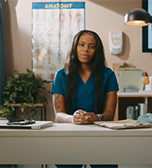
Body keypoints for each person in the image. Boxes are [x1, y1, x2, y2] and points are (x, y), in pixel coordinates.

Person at [51, 30, 119, 168]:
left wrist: (97, 117)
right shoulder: (61, 75)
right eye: (81, 45)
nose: (86, 50)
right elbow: (59, 114)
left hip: (100, 135)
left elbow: (110, 114)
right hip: (69, 136)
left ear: (97, 51)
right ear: (75, 47)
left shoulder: (108, 75)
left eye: (91, 47)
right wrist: (72, 119)